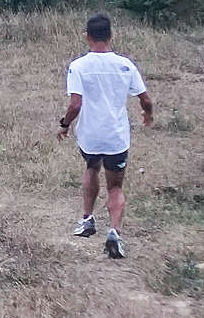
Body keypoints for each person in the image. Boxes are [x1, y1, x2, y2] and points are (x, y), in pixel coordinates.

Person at [58, 13, 152, 258]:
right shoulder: (125, 65)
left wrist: (65, 124)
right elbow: (145, 98)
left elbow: (75, 105)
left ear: (87, 37)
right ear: (111, 36)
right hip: (116, 136)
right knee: (116, 185)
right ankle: (115, 232)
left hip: (90, 135)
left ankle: (87, 220)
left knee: (91, 169)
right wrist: (148, 115)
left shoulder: (78, 66)